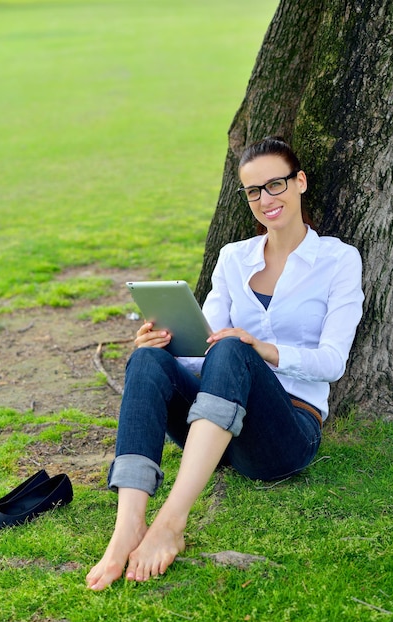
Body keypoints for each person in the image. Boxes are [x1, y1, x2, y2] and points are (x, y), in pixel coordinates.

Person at [86, 136, 364, 591]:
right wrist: (163, 342)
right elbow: (203, 348)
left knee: (235, 349)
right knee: (148, 359)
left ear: (300, 182)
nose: (265, 200)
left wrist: (261, 348)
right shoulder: (234, 258)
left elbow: (333, 362)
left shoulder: (337, 260)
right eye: (254, 191)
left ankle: (171, 523)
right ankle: (127, 527)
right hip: (218, 433)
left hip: (287, 431)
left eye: (275, 185)